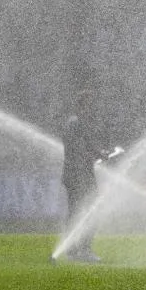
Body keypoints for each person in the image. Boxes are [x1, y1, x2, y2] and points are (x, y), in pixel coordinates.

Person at [60, 88, 110, 263]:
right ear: (83, 105)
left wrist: (99, 154)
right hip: (79, 175)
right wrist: (99, 155)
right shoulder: (76, 123)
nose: (92, 109)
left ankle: (73, 250)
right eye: (90, 104)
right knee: (91, 210)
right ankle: (83, 249)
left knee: (75, 212)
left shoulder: (75, 122)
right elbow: (78, 149)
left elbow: (84, 147)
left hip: (74, 175)